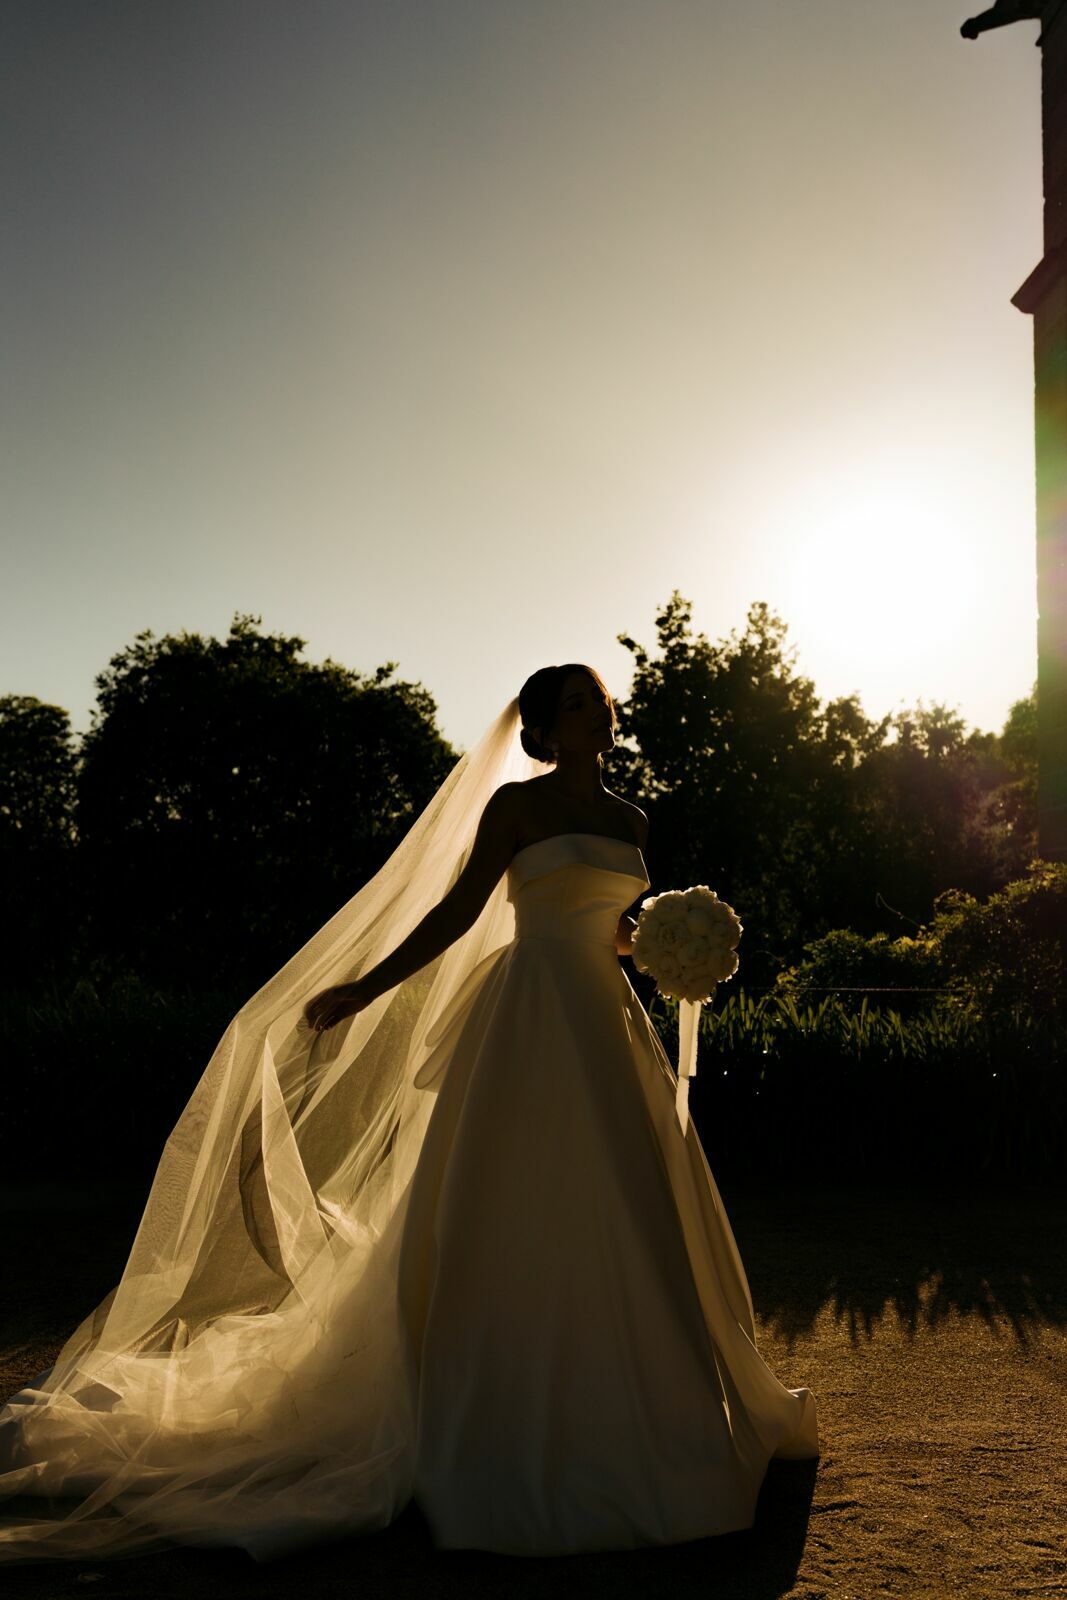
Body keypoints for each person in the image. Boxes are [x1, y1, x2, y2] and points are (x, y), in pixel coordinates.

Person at [0, 663, 818, 1564]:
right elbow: (458, 913)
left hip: (605, 1018)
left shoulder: (633, 822)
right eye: (577, 700)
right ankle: (483, 1412)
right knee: (506, 1196)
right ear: (545, 725)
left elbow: (615, 928)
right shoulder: (514, 807)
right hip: (530, 1013)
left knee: (627, 1195)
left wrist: (667, 940)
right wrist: (363, 987)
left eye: (601, 697)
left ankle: (653, 1403)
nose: (598, 709)